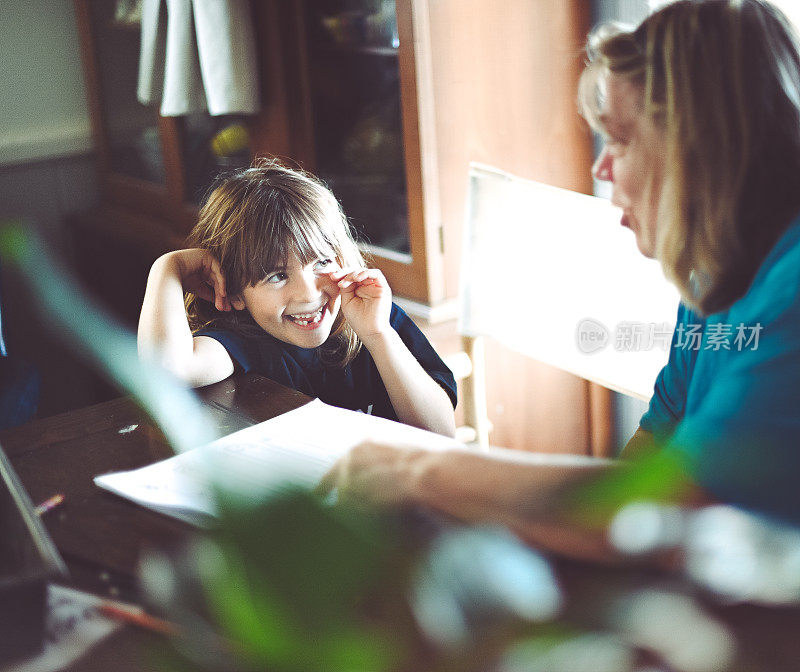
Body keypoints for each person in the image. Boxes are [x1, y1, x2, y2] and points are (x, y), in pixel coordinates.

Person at [319, 0, 800, 553]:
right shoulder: (719, 270)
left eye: (620, 140)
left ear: (698, 144)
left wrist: (421, 472)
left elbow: (684, 509)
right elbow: (657, 443)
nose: (602, 168)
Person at [138, 160, 457, 437]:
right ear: (233, 293)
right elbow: (168, 368)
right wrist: (169, 266)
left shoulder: (379, 321)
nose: (309, 294)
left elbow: (439, 434)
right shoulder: (242, 343)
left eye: (322, 262)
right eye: (276, 276)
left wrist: (378, 336)